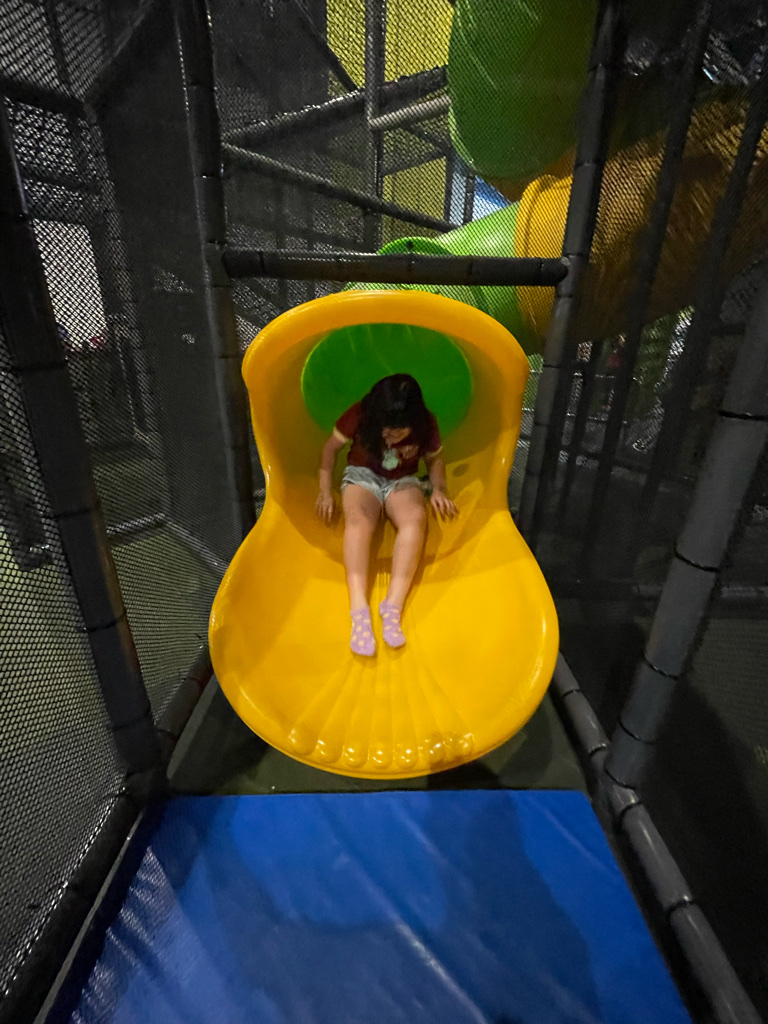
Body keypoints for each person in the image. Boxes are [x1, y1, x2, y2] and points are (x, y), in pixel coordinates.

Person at [315, 374, 458, 656]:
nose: (387, 437)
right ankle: (359, 610)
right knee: (359, 521)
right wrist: (324, 491)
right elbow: (330, 450)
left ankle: (393, 605)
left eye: (396, 433)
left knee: (415, 520)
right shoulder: (361, 414)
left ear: (412, 423)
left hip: (401, 479)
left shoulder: (425, 423)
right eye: (384, 430)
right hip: (362, 474)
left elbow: (434, 459)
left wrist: (439, 489)